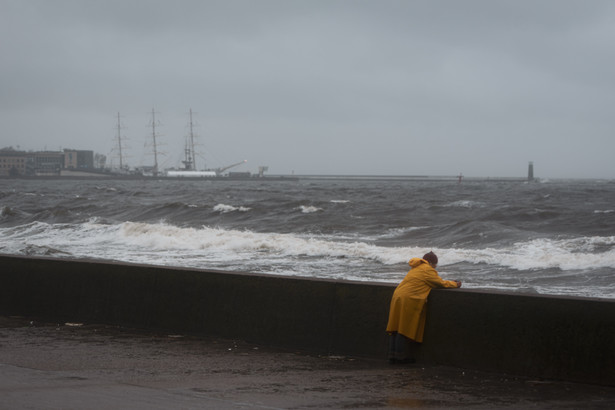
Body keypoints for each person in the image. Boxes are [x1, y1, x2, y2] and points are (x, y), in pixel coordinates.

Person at [386, 251, 461, 364]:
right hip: (408, 299)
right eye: (435, 265)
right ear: (431, 262)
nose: (435, 268)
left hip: (398, 296)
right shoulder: (427, 269)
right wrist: (455, 284)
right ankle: (400, 358)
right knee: (403, 327)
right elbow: (439, 283)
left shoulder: (416, 268)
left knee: (395, 327)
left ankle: (392, 356)